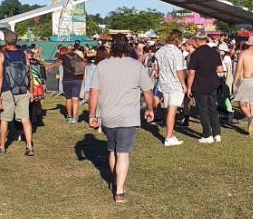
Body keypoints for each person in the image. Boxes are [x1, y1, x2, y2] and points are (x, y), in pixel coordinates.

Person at [88, 33, 154, 203]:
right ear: (127, 47)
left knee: (113, 150)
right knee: (123, 152)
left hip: (108, 115)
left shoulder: (102, 66)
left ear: (112, 47)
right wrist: (150, 109)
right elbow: (147, 91)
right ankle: (119, 190)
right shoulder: (136, 66)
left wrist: (91, 115)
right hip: (128, 116)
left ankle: (116, 181)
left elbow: (94, 92)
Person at [0, 30, 35, 155]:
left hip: (8, 91)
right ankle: (29, 146)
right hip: (23, 90)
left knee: (5, 119)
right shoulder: (23, 54)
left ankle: (2, 146)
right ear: (16, 40)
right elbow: (29, 73)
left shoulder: (1, 55)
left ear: (5, 41)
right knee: (25, 118)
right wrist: (32, 91)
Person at [187, 32, 222, 144]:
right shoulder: (214, 52)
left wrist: (188, 88)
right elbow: (220, 69)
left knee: (203, 109)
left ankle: (208, 134)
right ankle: (216, 133)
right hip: (213, 83)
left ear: (197, 40)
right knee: (212, 108)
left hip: (200, 84)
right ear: (206, 39)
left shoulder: (195, 54)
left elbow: (191, 73)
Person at [154, 30, 187, 147]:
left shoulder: (159, 51)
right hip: (175, 84)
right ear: (178, 39)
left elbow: (157, 68)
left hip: (164, 83)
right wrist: (184, 84)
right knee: (172, 111)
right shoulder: (177, 52)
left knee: (168, 110)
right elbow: (179, 70)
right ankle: (168, 137)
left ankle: (170, 134)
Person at [54, 46, 85, 123]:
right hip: (78, 79)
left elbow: (59, 63)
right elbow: (83, 63)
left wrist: (48, 66)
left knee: (68, 99)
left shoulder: (63, 56)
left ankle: (69, 117)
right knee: (75, 98)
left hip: (67, 80)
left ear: (61, 51)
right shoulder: (76, 55)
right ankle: (74, 118)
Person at [218, 43, 234, 124]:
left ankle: (230, 113)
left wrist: (226, 80)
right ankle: (225, 113)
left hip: (227, 76)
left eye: (220, 50)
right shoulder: (222, 57)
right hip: (223, 76)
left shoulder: (227, 58)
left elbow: (229, 70)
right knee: (222, 95)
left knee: (226, 96)